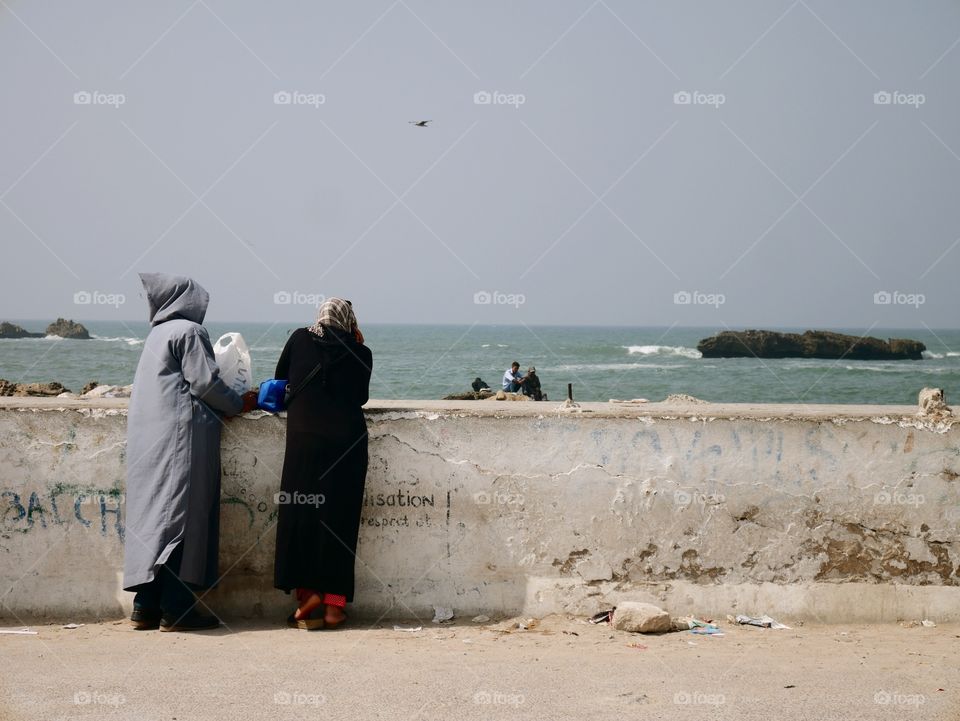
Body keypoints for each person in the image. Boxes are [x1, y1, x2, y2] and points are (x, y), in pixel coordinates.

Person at [123, 273, 257, 632]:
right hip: (181, 437)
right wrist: (237, 403)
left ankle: (145, 606)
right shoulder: (189, 332)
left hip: (152, 438)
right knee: (184, 517)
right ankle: (177, 608)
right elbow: (205, 382)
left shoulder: (157, 334)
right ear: (188, 300)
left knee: (156, 518)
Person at [273, 297, 372, 630]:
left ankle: (307, 596)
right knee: (339, 524)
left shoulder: (300, 338)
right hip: (348, 446)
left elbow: (281, 377)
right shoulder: (362, 353)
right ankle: (333, 607)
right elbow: (360, 397)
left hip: (304, 443)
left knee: (301, 518)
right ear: (350, 321)